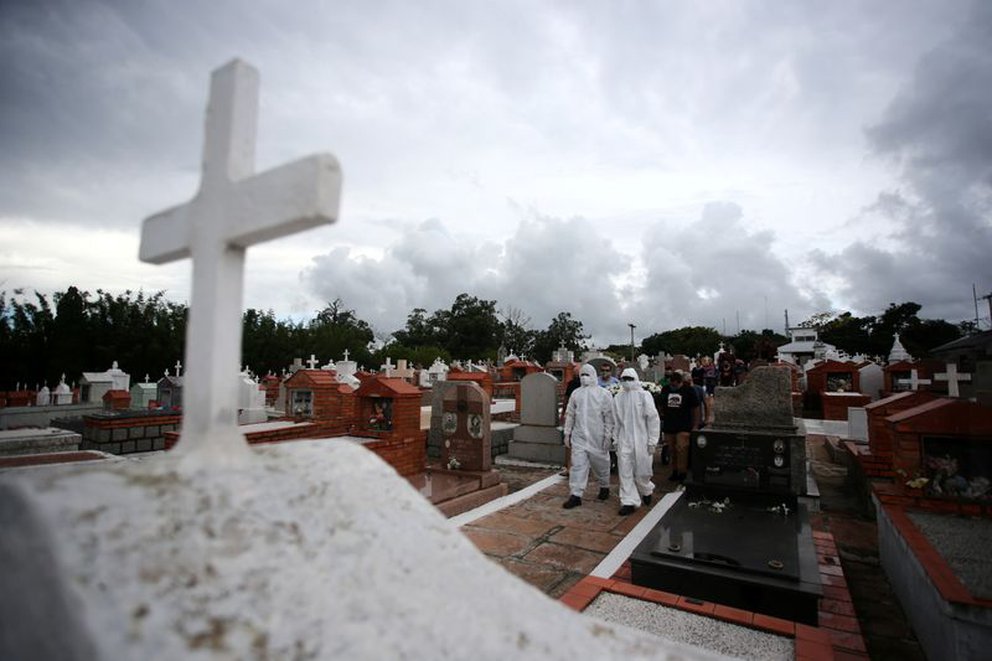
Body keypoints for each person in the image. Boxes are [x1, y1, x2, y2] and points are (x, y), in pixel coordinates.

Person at [562, 364, 615, 509]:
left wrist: (608, 436)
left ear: (593, 375)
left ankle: (604, 486)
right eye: (582, 375)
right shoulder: (576, 394)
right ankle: (576, 494)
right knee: (577, 465)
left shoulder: (603, 394)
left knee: (601, 464)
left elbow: (609, 417)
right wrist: (567, 432)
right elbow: (571, 414)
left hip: (597, 436)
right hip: (579, 437)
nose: (584, 377)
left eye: (587, 374)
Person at [612, 367, 661, 515]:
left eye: (629, 379)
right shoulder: (618, 398)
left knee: (643, 471)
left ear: (636, 379)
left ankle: (646, 489)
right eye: (624, 379)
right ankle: (628, 501)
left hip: (642, 439)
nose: (626, 382)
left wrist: (653, 441)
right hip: (624, 439)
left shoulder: (644, 396)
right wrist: (615, 440)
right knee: (625, 471)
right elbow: (616, 422)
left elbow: (653, 419)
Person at [660, 371, 700, 483]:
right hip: (670, 424)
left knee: (681, 448)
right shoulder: (666, 389)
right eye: (672, 384)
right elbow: (661, 403)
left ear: (680, 382)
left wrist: (696, 424)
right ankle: (675, 470)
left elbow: (695, 408)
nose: (673, 387)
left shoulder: (689, 391)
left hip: (684, 425)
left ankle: (683, 472)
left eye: (676, 385)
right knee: (672, 449)